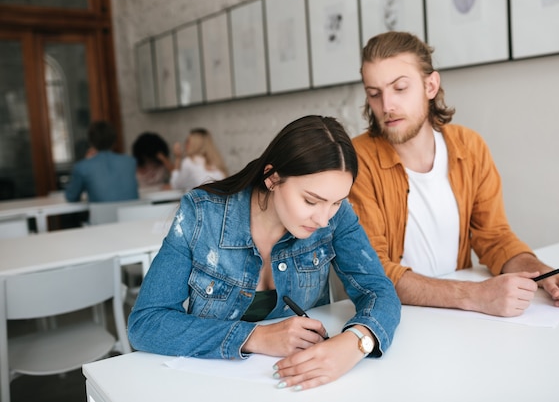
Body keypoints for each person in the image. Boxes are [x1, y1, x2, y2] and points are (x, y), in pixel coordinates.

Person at [128, 115, 400, 391]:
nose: (323, 219)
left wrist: (357, 341)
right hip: (211, 387)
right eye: (310, 201)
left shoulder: (336, 216)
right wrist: (256, 337)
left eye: (336, 202)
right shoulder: (201, 215)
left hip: (303, 386)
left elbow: (378, 289)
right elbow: (147, 323)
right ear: (272, 178)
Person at [349, 31, 559, 317]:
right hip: (399, 317)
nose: (387, 106)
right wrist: (475, 295)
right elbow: (372, 270)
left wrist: (544, 274)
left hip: (461, 317)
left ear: (431, 85)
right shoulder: (357, 160)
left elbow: (495, 238)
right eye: (374, 94)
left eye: (400, 88)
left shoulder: (470, 147)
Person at [64, 120, 139, 202]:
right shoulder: (130, 162)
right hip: (131, 214)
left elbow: (71, 196)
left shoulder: (82, 167)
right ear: (114, 140)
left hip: (101, 214)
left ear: (91, 142)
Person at [164, 128, 228, 192]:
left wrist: (177, 158)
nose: (185, 144)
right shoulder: (217, 162)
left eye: (187, 141)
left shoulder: (189, 162)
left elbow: (176, 185)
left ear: (194, 144)